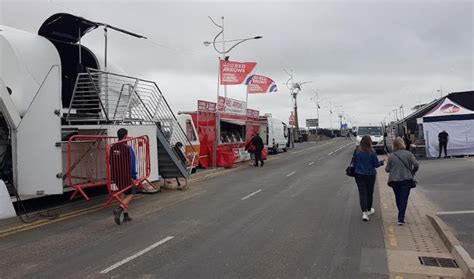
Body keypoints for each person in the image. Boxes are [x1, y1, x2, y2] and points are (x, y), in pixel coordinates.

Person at [385, 137, 419, 225]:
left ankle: (401, 213)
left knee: (398, 197)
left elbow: (387, 169)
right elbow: (416, 164)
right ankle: (401, 217)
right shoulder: (408, 154)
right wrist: (413, 171)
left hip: (394, 180)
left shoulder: (392, 156)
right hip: (406, 179)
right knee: (404, 198)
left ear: (394, 145)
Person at [354, 135, 385, 221]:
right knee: (369, 192)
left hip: (359, 174)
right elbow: (375, 164)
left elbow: (354, 161)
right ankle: (369, 209)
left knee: (362, 193)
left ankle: (364, 213)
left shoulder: (357, 151)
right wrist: (381, 162)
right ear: (369, 142)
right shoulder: (372, 152)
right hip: (370, 175)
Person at [111, 128, 137, 225]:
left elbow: (110, 161)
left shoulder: (112, 147)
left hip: (116, 175)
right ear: (125, 136)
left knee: (123, 192)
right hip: (126, 175)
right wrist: (133, 177)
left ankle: (125, 215)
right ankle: (120, 208)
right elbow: (132, 164)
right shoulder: (128, 149)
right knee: (132, 193)